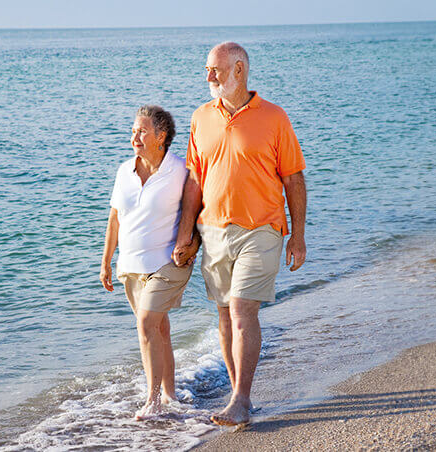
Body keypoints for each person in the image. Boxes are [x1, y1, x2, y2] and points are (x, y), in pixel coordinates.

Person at [172, 42, 307, 427]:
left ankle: (241, 400)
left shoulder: (274, 117)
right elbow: (195, 180)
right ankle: (238, 395)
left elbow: (293, 178)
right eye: (207, 70)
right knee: (225, 316)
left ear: (239, 70)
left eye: (215, 69)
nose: (209, 77)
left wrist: (297, 236)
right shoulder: (201, 118)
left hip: (262, 229)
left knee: (242, 310)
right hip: (212, 231)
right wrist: (186, 235)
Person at [100, 105, 198, 420]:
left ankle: (152, 399)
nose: (135, 137)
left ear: (161, 136)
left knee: (146, 324)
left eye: (141, 131)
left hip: (167, 263)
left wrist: (192, 245)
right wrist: (105, 262)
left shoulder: (181, 172)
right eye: (133, 131)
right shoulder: (123, 171)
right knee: (159, 328)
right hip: (130, 264)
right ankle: (169, 394)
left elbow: (198, 213)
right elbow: (114, 219)